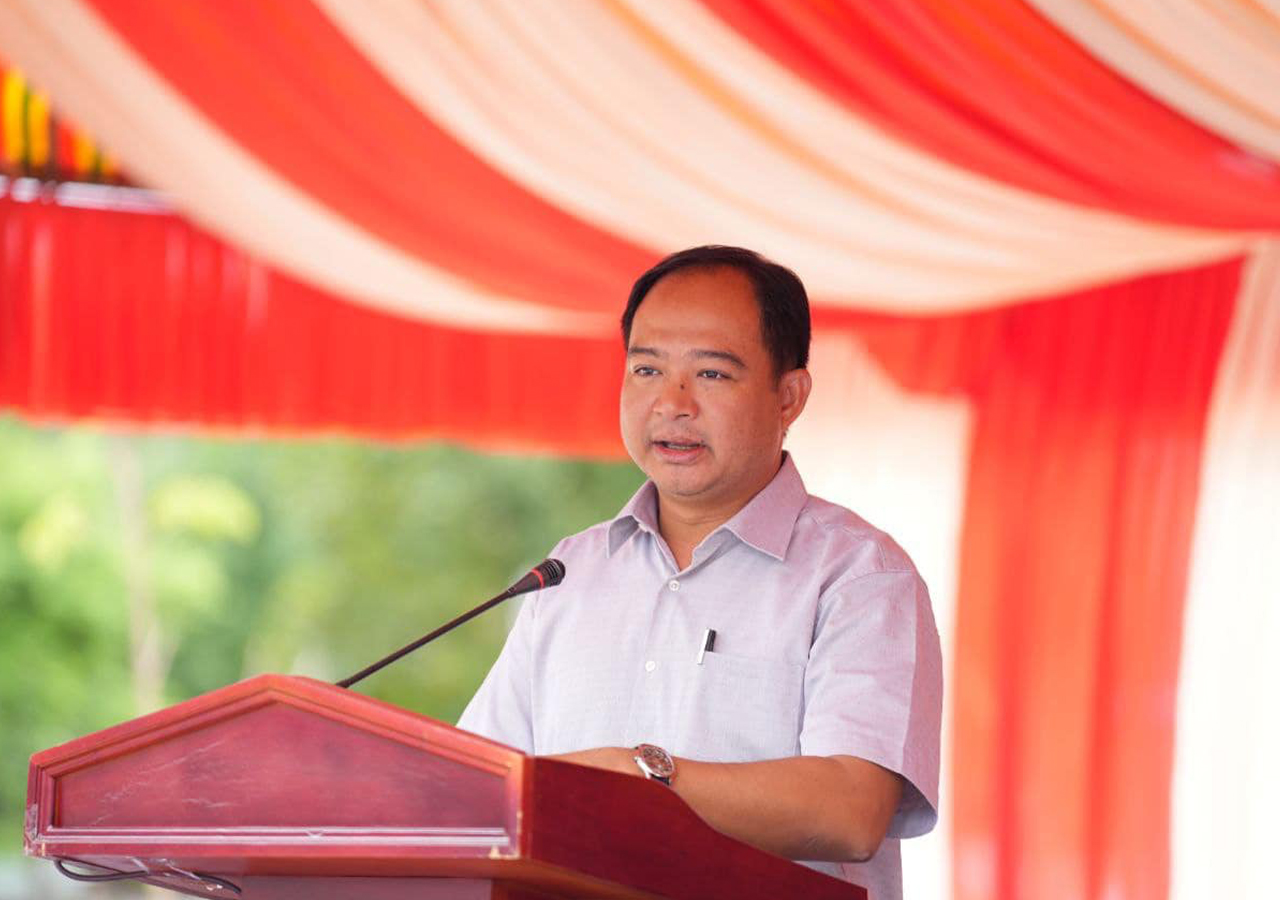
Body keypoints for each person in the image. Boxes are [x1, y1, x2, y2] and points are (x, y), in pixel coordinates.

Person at [458, 246, 942, 899]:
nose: (672, 402)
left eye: (710, 373)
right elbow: (477, 795)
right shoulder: (570, 572)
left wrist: (644, 778)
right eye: (647, 369)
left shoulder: (859, 577)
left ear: (789, 396)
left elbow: (850, 811)